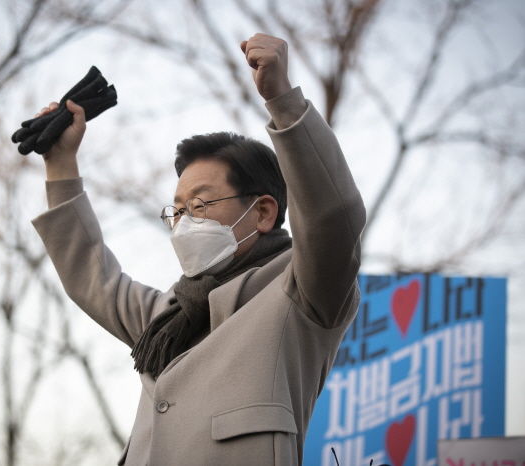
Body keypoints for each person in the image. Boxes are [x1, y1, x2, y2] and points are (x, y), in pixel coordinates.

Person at [30, 33, 365, 466]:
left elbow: (331, 220)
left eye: (202, 205)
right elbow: (93, 278)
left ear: (263, 213)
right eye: (179, 210)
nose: (185, 223)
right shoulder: (165, 316)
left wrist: (282, 100)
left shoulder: (302, 293)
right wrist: (60, 164)